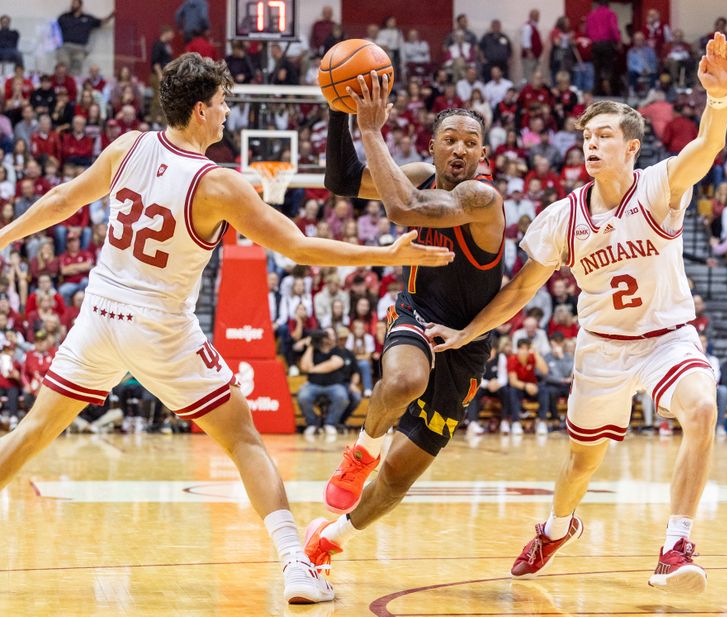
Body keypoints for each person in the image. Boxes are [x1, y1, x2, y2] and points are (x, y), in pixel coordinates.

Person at [0, 53, 453, 605]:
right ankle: (296, 566)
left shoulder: (127, 147)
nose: (226, 115)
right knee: (244, 441)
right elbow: (298, 247)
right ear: (198, 111)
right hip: (160, 326)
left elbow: (60, 200)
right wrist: (384, 251)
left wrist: (4, 237)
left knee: (29, 435)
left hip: (98, 314)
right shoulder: (217, 183)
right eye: (221, 105)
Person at [426, 33, 727, 593]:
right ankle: (557, 526)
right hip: (603, 348)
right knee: (581, 463)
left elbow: (706, 149)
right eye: (587, 137)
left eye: (604, 136)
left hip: (667, 336)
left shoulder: (661, 186)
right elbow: (520, 292)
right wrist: (468, 330)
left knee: (702, 407)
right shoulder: (559, 218)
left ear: (631, 147)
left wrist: (718, 98)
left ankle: (677, 543)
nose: (591, 145)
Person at [304, 74, 505, 569]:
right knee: (405, 380)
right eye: (450, 140)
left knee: (398, 479)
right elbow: (341, 179)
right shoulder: (414, 174)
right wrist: (338, 108)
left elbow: (404, 209)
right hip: (416, 314)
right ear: (432, 146)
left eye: (471, 143)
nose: (460, 149)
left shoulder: (483, 200)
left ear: (483, 155)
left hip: (465, 343)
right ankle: (361, 452)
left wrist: (371, 131)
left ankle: (330, 538)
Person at [56, 0, 115, 75]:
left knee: (76, 69)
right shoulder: (64, 17)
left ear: (80, 5)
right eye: (72, 4)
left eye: (75, 3)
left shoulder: (88, 18)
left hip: (80, 47)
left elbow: (100, 22)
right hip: (65, 46)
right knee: (63, 66)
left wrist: (111, 16)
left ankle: (73, 84)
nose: (73, 5)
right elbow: (54, 29)